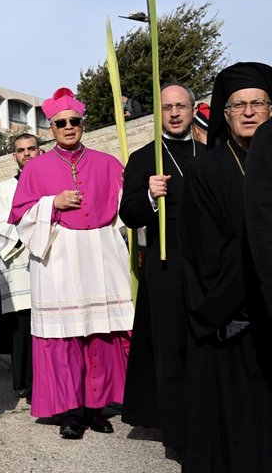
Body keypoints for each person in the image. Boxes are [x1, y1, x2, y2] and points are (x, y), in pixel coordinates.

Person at [8, 87, 133, 440]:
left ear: (82, 124)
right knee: (64, 337)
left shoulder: (109, 163)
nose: (68, 127)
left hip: (99, 254)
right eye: (60, 122)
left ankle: (97, 407)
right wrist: (52, 203)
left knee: (99, 332)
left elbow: (129, 211)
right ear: (51, 128)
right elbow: (19, 217)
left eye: (74, 121)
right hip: (59, 257)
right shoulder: (36, 169)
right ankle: (71, 410)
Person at [178, 62, 272, 472]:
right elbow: (203, 249)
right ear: (225, 114)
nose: (249, 112)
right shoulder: (206, 170)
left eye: (258, 103)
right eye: (239, 105)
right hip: (237, 318)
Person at [119, 82, 202, 461]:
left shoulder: (212, 152)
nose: (173, 113)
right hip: (166, 266)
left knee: (207, 348)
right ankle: (179, 436)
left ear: (192, 108)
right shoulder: (143, 158)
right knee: (171, 351)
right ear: (159, 113)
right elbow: (129, 214)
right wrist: (150, 195)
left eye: (180, 106)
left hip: (207, 266)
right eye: (167, 107)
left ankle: (208, 420)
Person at [0, 132, 40, 401]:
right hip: (21, 264)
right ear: (14, 156)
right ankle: (27, 383)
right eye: (21, 150)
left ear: (40, 150)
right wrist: (27, 234)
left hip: (51, 262)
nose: (27, 154)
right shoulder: (4, 189)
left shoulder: (52, 182)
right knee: (24, 327)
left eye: (31, 148)